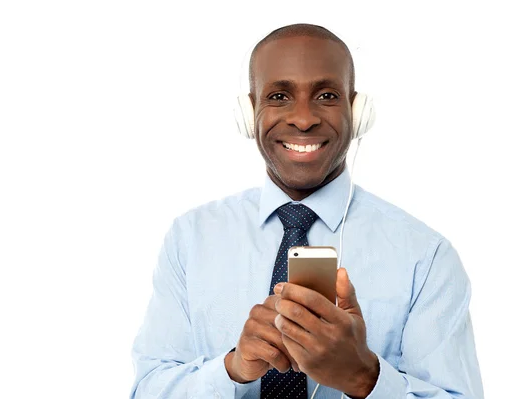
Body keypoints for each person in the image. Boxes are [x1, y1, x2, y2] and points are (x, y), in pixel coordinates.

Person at [130, 23, 483, 399]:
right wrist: (232, 369)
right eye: (279, 96)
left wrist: (364, 377)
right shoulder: (190, 238)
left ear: (357, 110)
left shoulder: (425, 257)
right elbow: (148, 389)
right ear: (249, 114)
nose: (303, 119)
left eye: (327, 95)